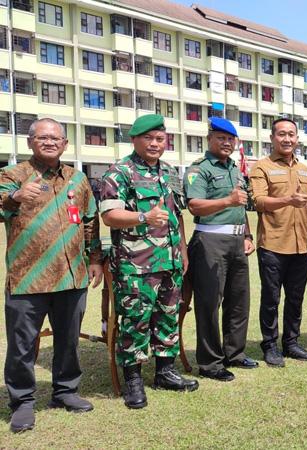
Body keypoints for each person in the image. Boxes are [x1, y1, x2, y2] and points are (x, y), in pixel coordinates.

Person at [0, 118, 103, 432]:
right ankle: (22, 402)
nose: (49, 142)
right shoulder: (12, 175)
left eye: (55, 138)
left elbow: (89, 220)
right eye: (42, 137)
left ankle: (66, 391)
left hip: (71, 277)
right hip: (27, 278)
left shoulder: (78, 179)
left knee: (68, 341)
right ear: (30, 142)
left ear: (65, 144)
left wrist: (95, 258)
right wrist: (14, 198)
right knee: (22, 345)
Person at [100, 114, 199, 409]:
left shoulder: (168, 172)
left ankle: (165, 372)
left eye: (160, 139)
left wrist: (182, 251)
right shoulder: (119, 174)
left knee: (168, 316)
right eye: (149, 139)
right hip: (136, 265)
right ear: (135, 140)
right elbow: (109, 217)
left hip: (169, 261)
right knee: (136, 322)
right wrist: (143, 217)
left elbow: (177, 216)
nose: (155, 144)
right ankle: (133, 379)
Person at [183, 117, 258, 382]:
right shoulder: (199, 169)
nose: (227, 143)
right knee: (209, 303)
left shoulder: (235, 169)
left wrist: (247, 234)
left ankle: (234, 353)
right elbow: (194, 205)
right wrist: (227, 200)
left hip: (237, 242)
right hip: (210, 242)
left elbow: (241, 205)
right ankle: (210, 362)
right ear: (210, 139)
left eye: (231, 139)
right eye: (221, 138)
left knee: (239, 302)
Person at [249, 117, 307, 367]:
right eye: (281, 134)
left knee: (296, 298)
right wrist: (286, 200)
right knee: (271, 299)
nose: (287, 139)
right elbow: (258, 201)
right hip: (273, 244)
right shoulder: (262, 167)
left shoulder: (304, 170)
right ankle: (270, 345)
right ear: (272, 138)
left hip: (301, 245)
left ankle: (291, 343)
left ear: (297, 139)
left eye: (291, 134)